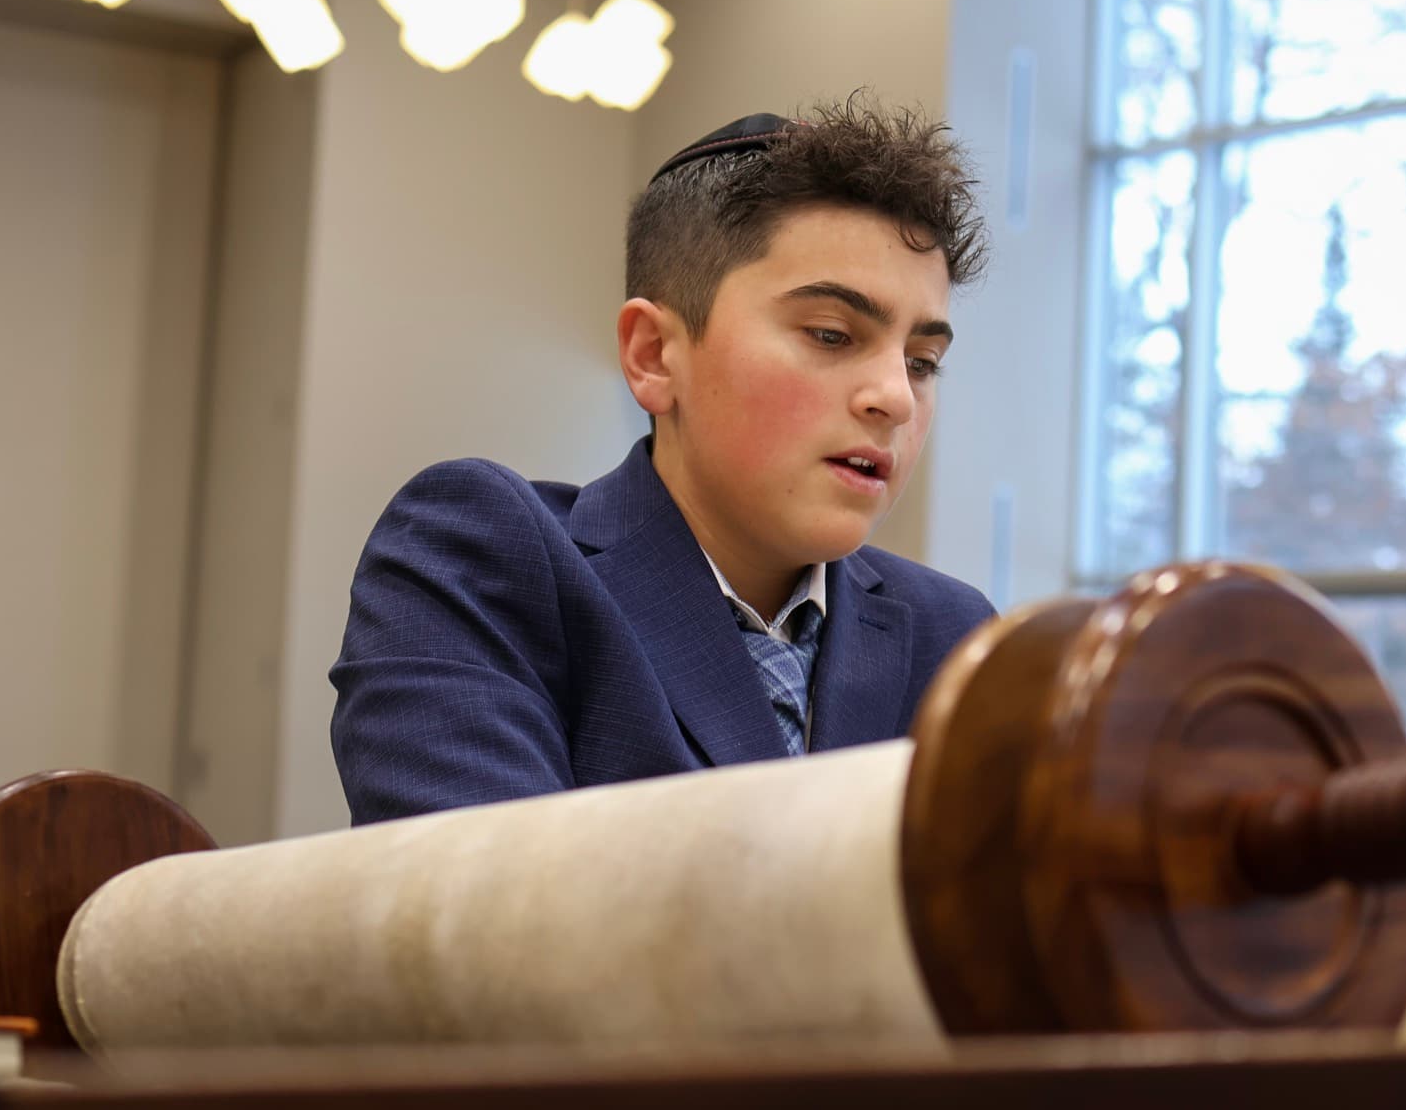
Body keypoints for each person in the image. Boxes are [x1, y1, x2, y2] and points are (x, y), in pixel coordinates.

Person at [329, 98, 997, 824]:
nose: (895, 397)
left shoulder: (955, 636)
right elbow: (481, 914)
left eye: (923, 361)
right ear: (653, 355)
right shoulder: (478, 557)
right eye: (832, 334)